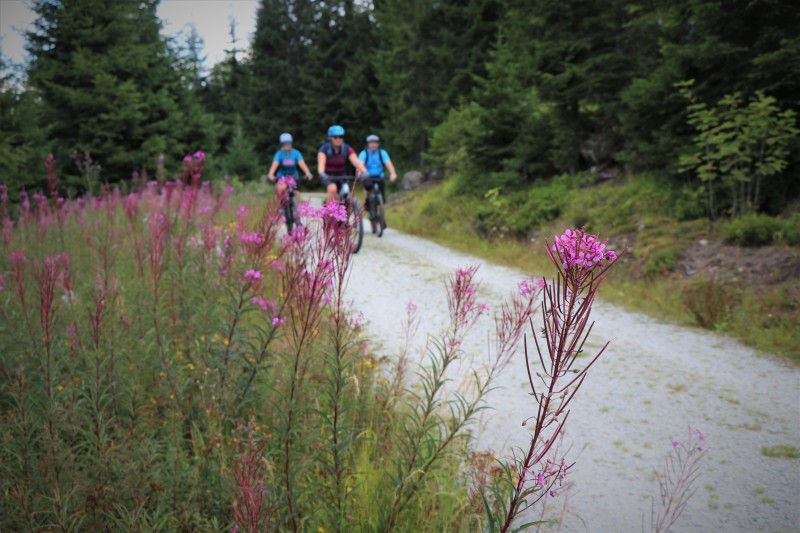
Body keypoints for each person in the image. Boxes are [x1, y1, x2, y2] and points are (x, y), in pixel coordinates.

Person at [317, 125, 367, 205]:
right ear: (330, 138)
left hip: (342, 176)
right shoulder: (324, 148)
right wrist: (322, 173)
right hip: (328, 176)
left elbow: (356, 162)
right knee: (332, 188)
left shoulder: (346, 148)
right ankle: (329, 213)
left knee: (347, 191)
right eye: (336, 137)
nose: (339, 139)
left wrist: (365, 172)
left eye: (341, 136)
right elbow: (321, 163)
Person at [358, 134, 397, 227]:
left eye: (375, 142)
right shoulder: (364, 153)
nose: (373, 145)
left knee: (382, 198)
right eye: (371, 143)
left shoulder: (382, 153)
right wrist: (361, 174)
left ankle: (381, 216)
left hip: (379, 176)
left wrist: (393, 173)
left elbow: (388, 164)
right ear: (368, 144)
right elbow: (360, 165)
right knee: (367, 190)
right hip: (367, 176)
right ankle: (367, 202)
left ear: (378, 144)